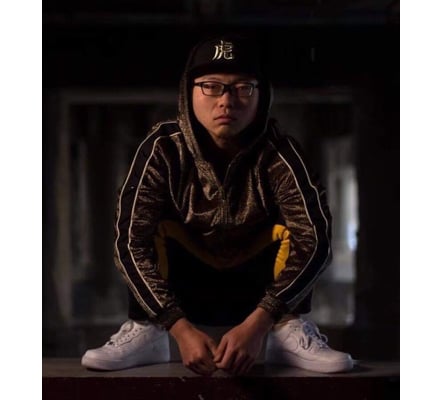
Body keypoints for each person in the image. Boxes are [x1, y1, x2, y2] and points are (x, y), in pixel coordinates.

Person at [81, 34, 354, 376]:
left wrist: (260, 323)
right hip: (182, 293)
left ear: (262, 95)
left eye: (243, 88)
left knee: (296, 231)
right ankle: (148, 330)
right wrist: (178, 327)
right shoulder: (162, 149)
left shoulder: (281, 154)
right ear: (189, 92)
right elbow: (129, 242)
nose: (227, 101)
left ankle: (287, 330)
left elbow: (316, 241)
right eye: (211, 86)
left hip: (260, 299)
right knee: (147, 232)